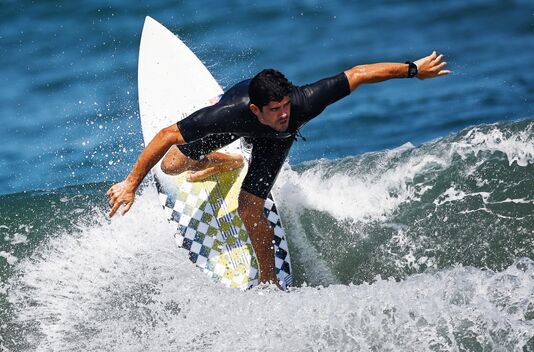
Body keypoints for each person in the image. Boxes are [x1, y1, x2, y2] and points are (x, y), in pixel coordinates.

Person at [107, 51, 451, 287]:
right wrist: (130, 183)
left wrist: (414, 70)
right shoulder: (229, 114)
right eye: (275, 108)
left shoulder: (301, 105)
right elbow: (167, 134)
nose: (284, 112)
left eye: (285, 104)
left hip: (275, 142)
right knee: (171, 165)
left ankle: (268, 278)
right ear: (258, 109)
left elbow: (357, 75)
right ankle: (228, 160)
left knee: (248, 205)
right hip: (238, 128)